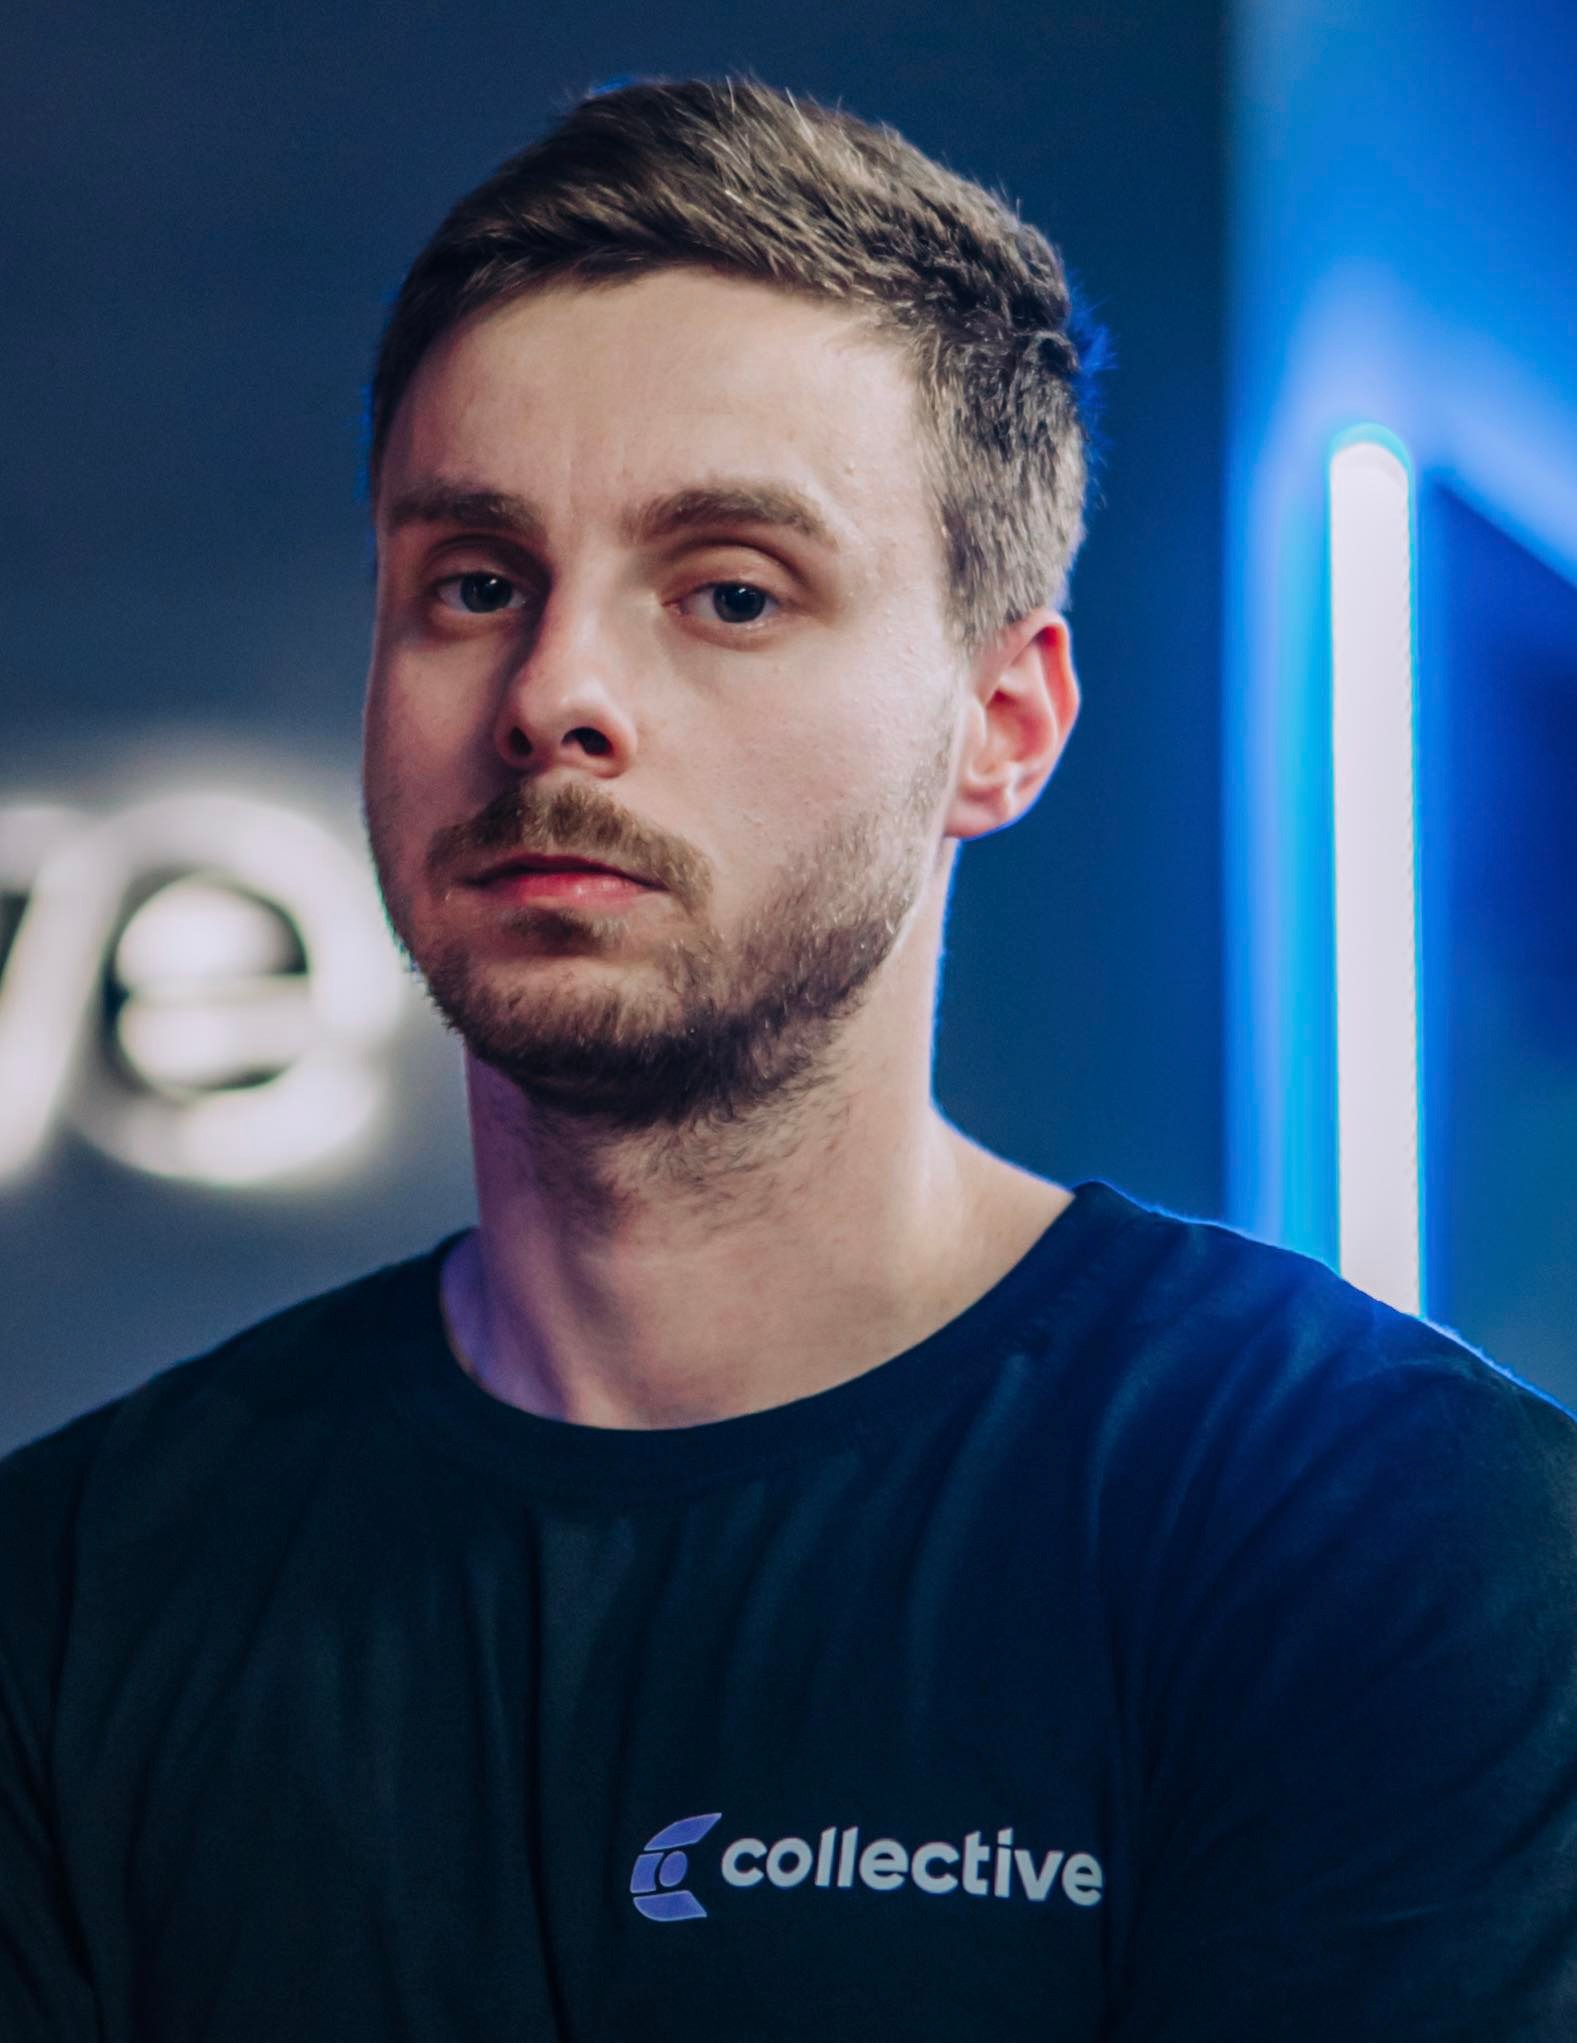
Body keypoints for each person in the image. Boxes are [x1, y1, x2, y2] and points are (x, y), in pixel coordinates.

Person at [2, 73, 1574, 2043]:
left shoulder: (1376, 1524)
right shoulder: (68, 1595)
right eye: (475, 583)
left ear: (1003, 721)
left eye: (728, 592)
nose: (557, 691)